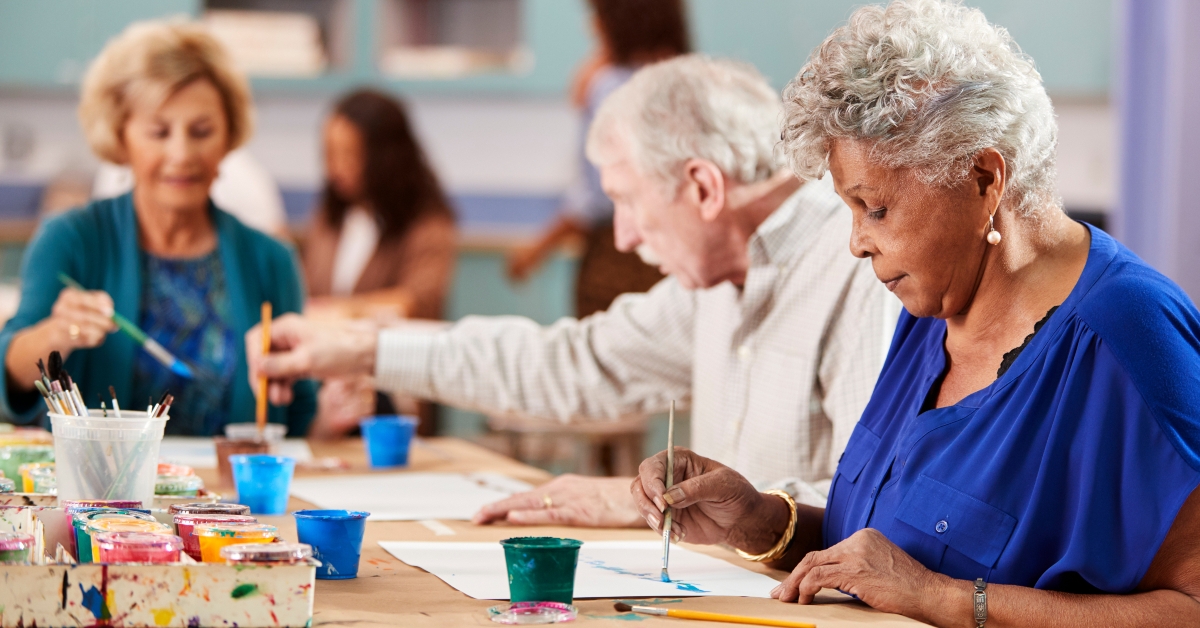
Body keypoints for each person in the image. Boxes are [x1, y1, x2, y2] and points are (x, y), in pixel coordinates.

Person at [630, 1, 1200, 625]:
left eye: (874, 208)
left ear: (985, 178)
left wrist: (949, 602)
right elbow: (890, 554)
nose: (856, 243)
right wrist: (760, 520)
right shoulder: (932, 309)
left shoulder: (1127, 333)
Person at [248, 56, 899, 527]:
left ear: (703, 188)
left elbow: (865, 503)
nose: (622, 237)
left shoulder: (860, 272)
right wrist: (363, 349)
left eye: (625, 200)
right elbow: (573, 363)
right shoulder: (712, 284)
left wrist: (636, 500)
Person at [0, 20, 316, 435]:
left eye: (201, 131)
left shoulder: (270, 260)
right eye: (159, 132)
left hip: (234, 500)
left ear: (228, 140)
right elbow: (10, 379)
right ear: (121, 137)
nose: (181, 154)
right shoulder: (71, 240)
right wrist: (58, 333)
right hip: (105, 500)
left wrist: (339, 412)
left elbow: (300, 418)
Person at [506, 0, 689, 317]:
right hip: (676, 257)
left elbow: (598, 199)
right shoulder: (687, 81)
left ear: (618, 20)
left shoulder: (608, 87)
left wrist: (539, 248)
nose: (590, 26)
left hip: (614, 262)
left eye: (597, 15)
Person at [301, 89, 457, 439]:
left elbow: (415, 301)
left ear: (384, 156)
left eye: (349, 154)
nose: (335, 167)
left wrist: (336, 312)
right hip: (329, 390)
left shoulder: (427, 222)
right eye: (330, 153)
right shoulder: (331, 217)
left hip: (391, 397)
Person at [93, 148, 290, 239]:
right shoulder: (114, 172)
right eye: (159, 133)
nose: (180, 156)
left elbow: (277, 246)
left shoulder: (242, 177)